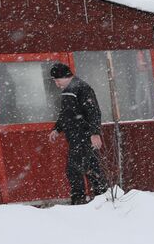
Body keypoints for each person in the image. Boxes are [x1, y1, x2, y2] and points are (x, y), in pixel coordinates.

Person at [46, 62, 108, 204]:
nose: (56, 83)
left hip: (84, 136)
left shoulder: (82, 88)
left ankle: (79, 200)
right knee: (90, 167)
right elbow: (66, 114)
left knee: (74, 169)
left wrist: (94, 133)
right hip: (75, 137)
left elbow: (93, 112)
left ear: (66, 76)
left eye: (57, 80)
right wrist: (57, 128)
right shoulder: (68, 90)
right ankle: (102, 197)